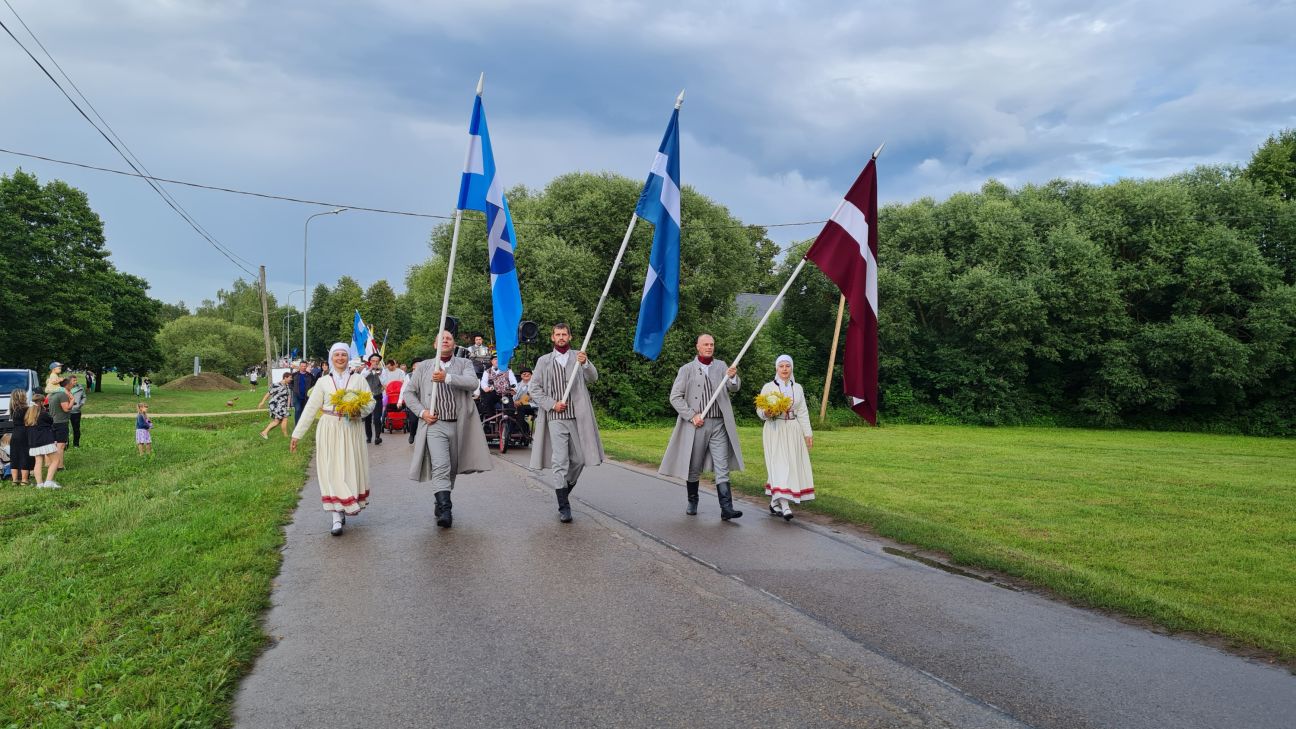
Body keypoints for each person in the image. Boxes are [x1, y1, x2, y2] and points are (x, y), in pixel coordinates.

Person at [405, 330, 492, 528]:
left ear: (454, 344)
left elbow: (473, 383)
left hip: (459, 424)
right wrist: (422, 412)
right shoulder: (425, 366)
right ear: (435, 344)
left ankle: (440, 499)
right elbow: (409, 393)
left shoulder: (464, 364)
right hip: (435, 425)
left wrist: (447, 377)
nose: (445, 340)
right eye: (441, 338)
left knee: (451, 467)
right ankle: (446, 510)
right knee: (441, 466)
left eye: (449, 338)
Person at [290, 343, 376, 536]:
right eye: (336, 355)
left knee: (349, 467)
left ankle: (346, 503)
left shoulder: (359, 379)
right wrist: (297, 434)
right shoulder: (322, 382)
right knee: (331, 468)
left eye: (343, 355)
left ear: (348, 357)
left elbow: (371, 402)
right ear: (331, 358)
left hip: (351, 427)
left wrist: (358, 410)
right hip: (329, 428)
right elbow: (311, 409)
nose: (340, 358)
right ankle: (336, 516)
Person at [659, 334, 745, 520]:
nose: (709, 347)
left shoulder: (722, 366)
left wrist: (733, 377)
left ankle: (726, 508)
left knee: (722, 465)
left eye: (712, 344)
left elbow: (734, 387)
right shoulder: (687, 370)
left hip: (719, 423)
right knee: (694, 465)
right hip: (697, 424)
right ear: (697, 347)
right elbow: (675, 397)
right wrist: (691, 415)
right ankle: (692, 500)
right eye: (705, 344)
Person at [528, 322, 604, 523]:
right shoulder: (544, 361)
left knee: (579, 459)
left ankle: (564, 489)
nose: (561, 337)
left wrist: (586, 363)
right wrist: (552, 404)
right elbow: (534, 388)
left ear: (570, 337)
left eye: (564, 334)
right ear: (552, 338)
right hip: (555, 418)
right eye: (557, 334)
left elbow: (593, 378)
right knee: (560, 460)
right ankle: (564, 506)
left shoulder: (579, 357)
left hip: (578, 416)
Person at [757, 355, 814, 520]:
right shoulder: (768, 387)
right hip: (775, 428)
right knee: (779, 464)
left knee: (791, 464)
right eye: (781, 366)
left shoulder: (798, 388)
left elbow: (802, 411)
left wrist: (807, 433)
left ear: (791, 368)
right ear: (776, 368)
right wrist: (767, 412)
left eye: (787, 366)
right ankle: (785, 505)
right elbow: (760, 410)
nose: (784, 369)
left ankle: (775, 501)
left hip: (793, 429)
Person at [26, 392, 59, 488]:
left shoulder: (28, 414)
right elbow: (51, 421)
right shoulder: (43, 413)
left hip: (34, 441)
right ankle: (48, 482)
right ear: (41, 402)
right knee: (55, 460)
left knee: (38, 462)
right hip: (45, 440)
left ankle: (39, 484)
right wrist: (46, 410)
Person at [257, 371, 294, 439]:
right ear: (285, 377)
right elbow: (268, 393)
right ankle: (285, 436)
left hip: (282, 405)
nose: (291, 379)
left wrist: (288, 406)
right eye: (290, 378)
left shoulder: (287, 385)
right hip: (276, 405)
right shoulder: (277, 385)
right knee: (284, 418)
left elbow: (288, 396)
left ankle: (264, 432)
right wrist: (262, 402)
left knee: (277, 421)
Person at [47, 377, 73, 470]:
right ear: (67, 385)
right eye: (71, 383)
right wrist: (72, 400)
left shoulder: (51, 395)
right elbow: (66, 409)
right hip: (61, 422)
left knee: (53, 444)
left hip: (53, 421)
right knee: (61, 445)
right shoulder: (62, 395)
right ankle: (60, 466)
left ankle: (50, 463)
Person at [8, 389, 34, 485]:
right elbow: (30, 422)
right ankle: (24, 480)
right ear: (22, 397)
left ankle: (15, 480)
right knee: (24, 456)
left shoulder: (13, 408)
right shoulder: (27, 408)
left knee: (14, 456)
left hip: (15, 434)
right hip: (24, 433)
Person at [362, 354, 386, 445]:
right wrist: (370, 369)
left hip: (377, 396)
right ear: (370, 361)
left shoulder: (382, 371)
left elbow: (384, 383)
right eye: (373, 361)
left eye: (377, 361)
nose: (375, 363)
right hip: (367, 397)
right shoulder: (365, 370)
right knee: (367, 418)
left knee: (377, 418)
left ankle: (377, 437)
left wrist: (379, 374)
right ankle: (369, 436)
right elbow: (362, 378)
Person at [68, 375, 86, 448]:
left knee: (76, 428)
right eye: (74, 380)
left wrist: (80, 404)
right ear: (69, 381)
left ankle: (76, 444)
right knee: (65, 429)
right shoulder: (65, 388)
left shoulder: (80, 388)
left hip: (76, 411)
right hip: (66, 411)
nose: (76, 381)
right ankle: (66, 445)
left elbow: (84, 397)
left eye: (76, 380)